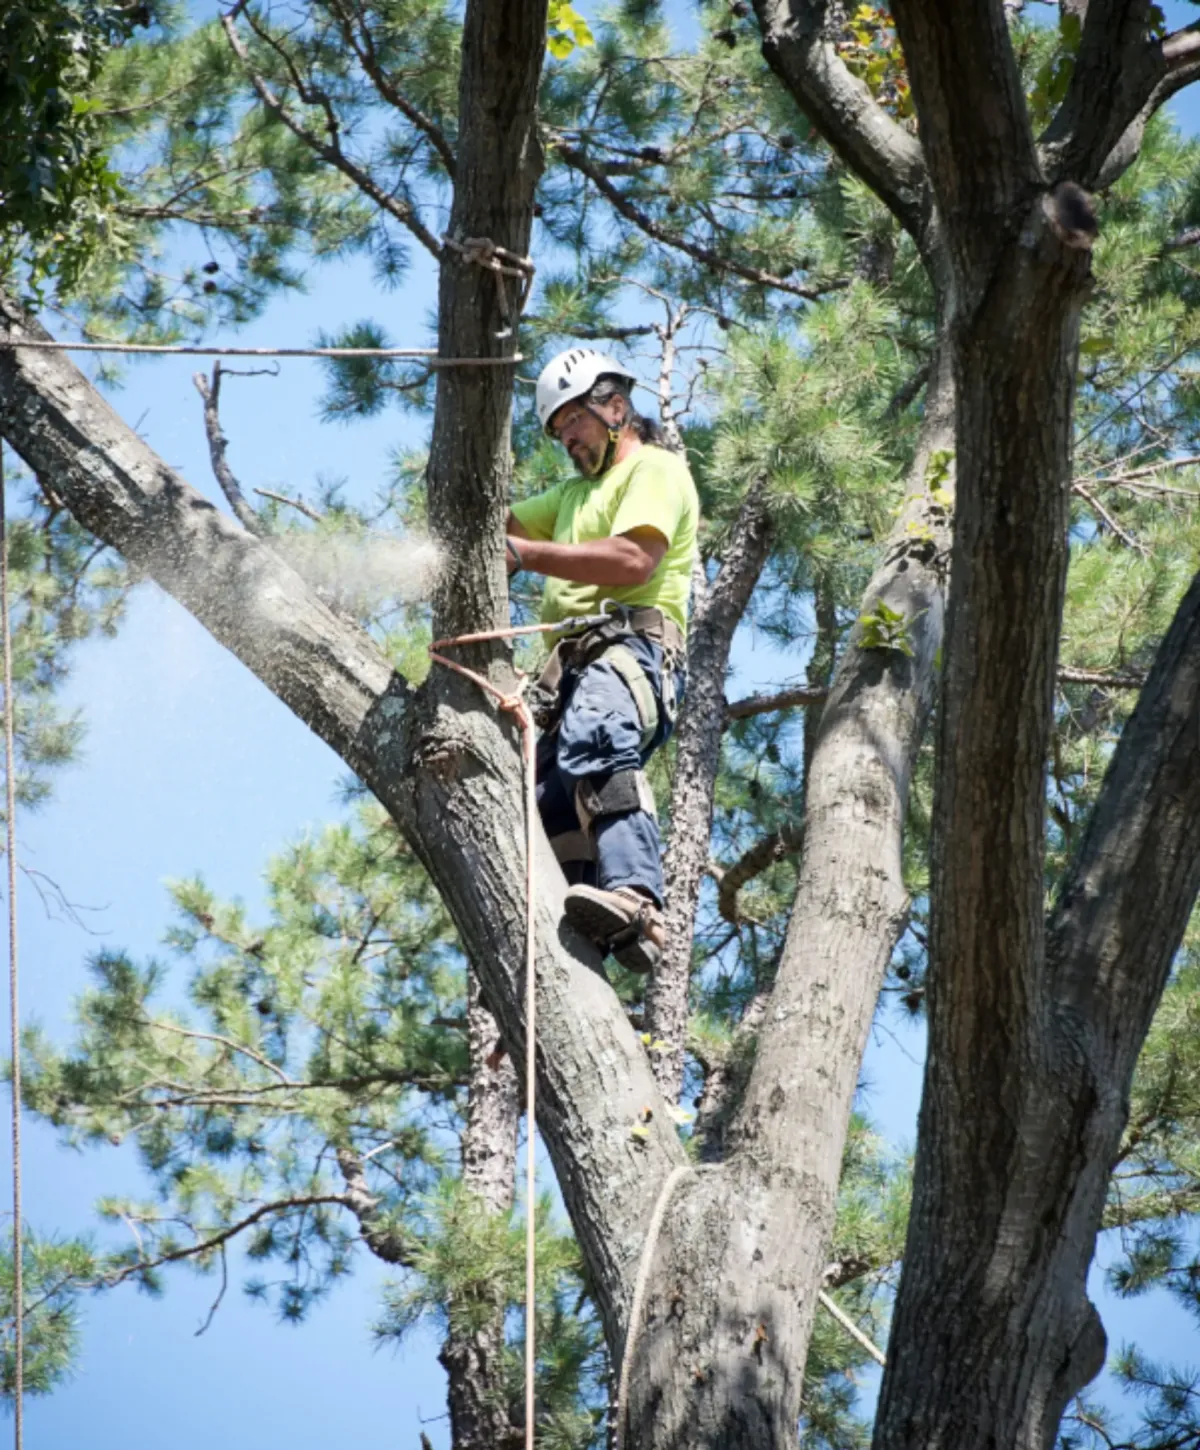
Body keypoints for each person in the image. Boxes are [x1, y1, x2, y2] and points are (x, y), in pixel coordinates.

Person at [507, 348, 699, 973]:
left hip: (631, 652)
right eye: (559, 433)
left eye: (575, 424)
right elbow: (495, 528)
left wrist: (527, 555)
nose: (568, 440)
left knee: (596, 736)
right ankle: (564, 956)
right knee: (541, 805)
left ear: (615, 406)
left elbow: (632, 561)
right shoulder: (567, 498)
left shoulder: (655, 471)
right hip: (565, 683)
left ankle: (638, 896)